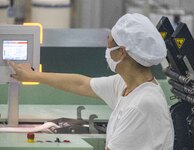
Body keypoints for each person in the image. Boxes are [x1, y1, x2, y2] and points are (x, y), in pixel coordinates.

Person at [7, 13, 174, 150]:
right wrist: (33, 76)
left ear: (122, 53)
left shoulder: (142, 105)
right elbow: (82, 84)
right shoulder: (127, 84)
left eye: (109, 43)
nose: (106, 49)